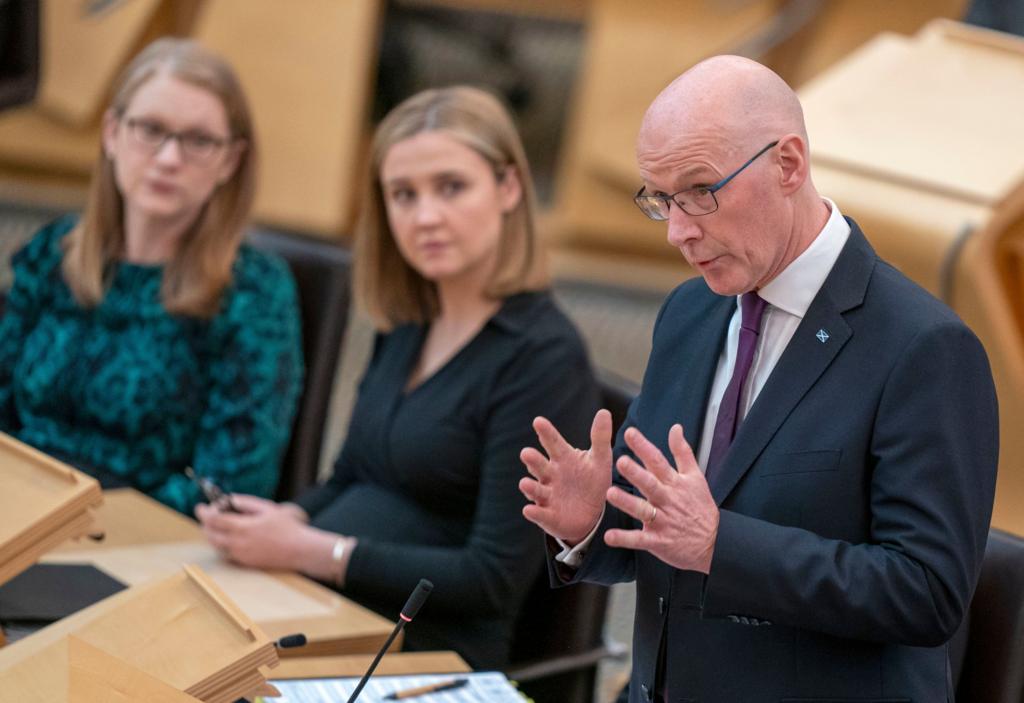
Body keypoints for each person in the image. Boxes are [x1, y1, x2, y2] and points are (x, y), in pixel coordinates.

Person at [519, 56, 999, 702]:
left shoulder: (925, 347)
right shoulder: (690, 311)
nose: (679, 231)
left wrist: (723, 543)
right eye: (661, 200)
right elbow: (668, 528)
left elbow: (928, 592)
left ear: (789, 164)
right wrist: (592, 524)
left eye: (700, 191)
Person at [196, 86, 600, 669]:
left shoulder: (544, 358)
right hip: (329, 611)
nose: (425, 216)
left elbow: (491, 580)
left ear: (509, 188)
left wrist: (317, 551)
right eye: (403, 195)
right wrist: (290, 517)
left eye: (451, 187)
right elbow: (354, 473)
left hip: (428, 655)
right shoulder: (409, 318)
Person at [0, 39, 303, 514]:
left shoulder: (253, 289)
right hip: (17, 507)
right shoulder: (52, 252)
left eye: (199, 141)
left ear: (231, 160)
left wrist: (76, 514)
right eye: (150, 130)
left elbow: (229, 484)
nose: (168, 159)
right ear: (112, 133)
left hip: (142, 535)